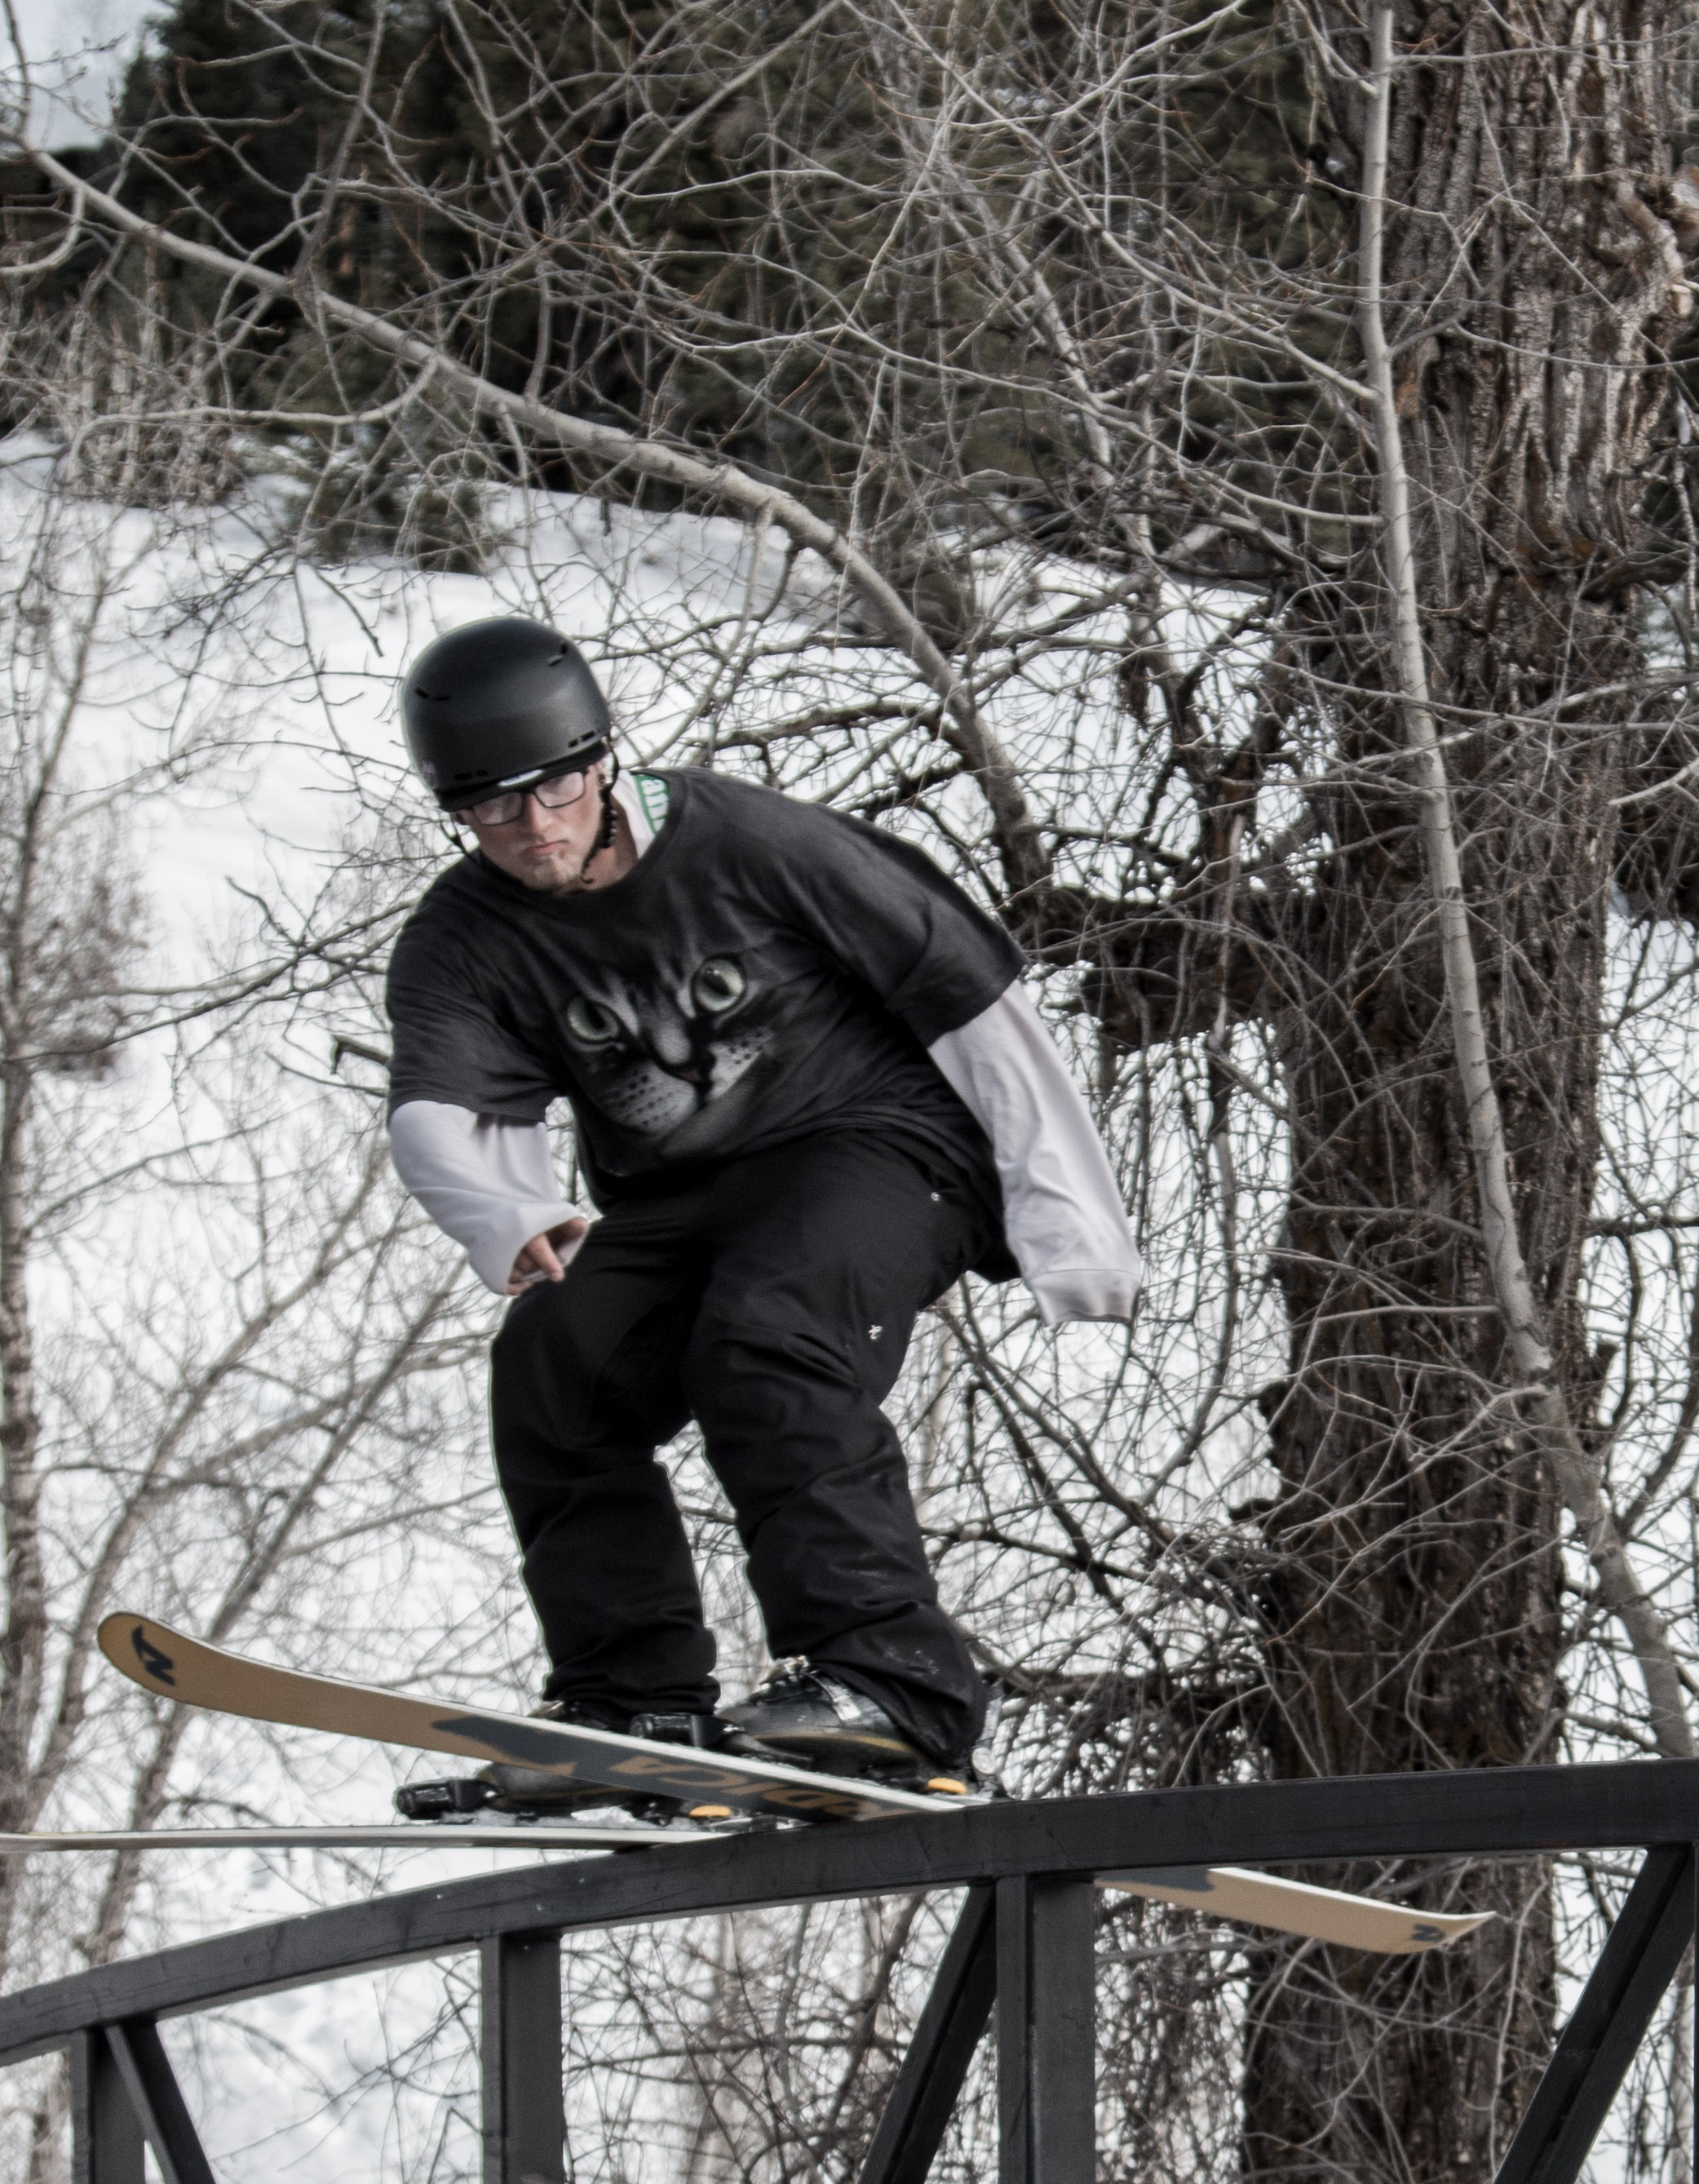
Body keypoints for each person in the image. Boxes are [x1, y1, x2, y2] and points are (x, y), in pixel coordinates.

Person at [383, 614, 1139, 1792]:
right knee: (556, 1356)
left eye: (557, 788)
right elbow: (440, 1104)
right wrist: (505, 1210)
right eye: (491, 808)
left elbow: (970, 993)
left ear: (602, 759)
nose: (535, 827)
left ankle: (894, 1687)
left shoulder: (751, 842)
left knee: (767, 1334)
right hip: (682, 1196)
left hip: (882, 1145)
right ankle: (632, 1703)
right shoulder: (462, 937)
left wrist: (1069, 1222)